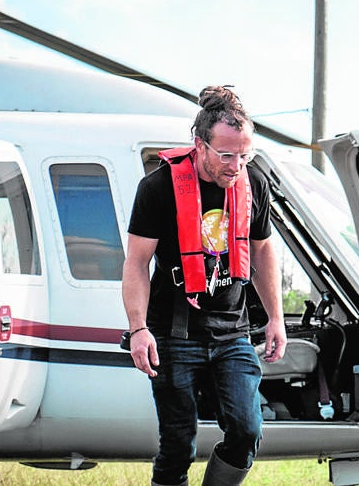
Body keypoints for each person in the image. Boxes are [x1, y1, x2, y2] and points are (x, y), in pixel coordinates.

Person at [122, 85, 287, 486]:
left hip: (232, 331)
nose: (236, 165)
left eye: (245, 154)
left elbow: (264, 254)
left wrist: (275, 319)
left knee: (247, 431)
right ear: (199, 145)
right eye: (227, 154)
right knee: (178, 444)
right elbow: (136, 263)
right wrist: (139, 329)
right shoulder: (158, 188)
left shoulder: (255, 185)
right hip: (174, 332)